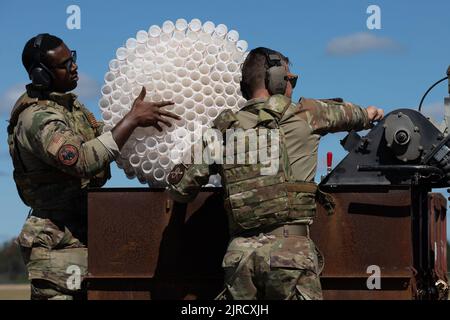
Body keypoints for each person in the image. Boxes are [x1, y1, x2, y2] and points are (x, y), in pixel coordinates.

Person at [168, 47, 384, 300]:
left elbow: (179, 189)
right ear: (278, 79)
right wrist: (371, 114)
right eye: (291, 79)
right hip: (291, 255)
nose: (292, 85)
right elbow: (359, 115)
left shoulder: (222, 130)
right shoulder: (309, 114)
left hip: (239, 260)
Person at [7, 33, 179, 300]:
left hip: (82, 235)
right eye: (64, 64)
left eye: (72, 57)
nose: (74, 66)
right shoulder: (38, 120)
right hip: (56, 246)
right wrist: (131, 120)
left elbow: (103, 140)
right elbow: (83, 160)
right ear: (42, 75)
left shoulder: (69, 109)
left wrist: (134, 120)